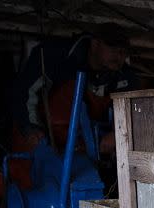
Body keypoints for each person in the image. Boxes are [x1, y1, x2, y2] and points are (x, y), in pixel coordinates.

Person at [10, 23, 137, 156]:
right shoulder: (54, 56)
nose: (119, 56)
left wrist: (118, 133)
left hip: (85, 148)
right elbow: (23, 93)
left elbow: (133, 113)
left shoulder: (126, 77)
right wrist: (31, 129)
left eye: (124, 52)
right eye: (113, 49)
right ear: (94, 44)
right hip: (44, 137)